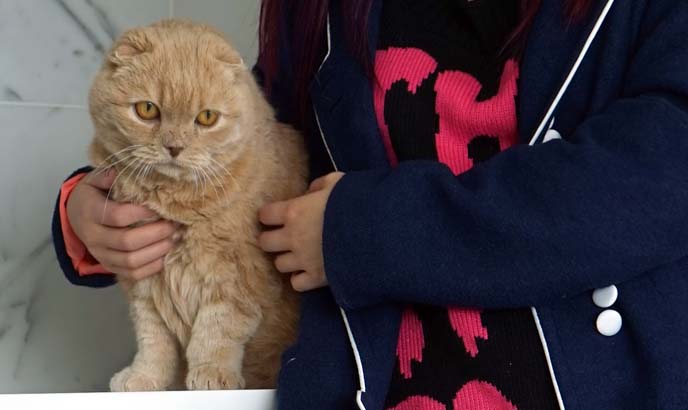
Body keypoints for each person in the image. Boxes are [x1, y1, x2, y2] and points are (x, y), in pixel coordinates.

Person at [52, 0, 688, 409]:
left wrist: (360, 230)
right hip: (364, 385)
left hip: (606, 385)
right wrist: (89, 208)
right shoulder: (324, 12)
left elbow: (662, 176)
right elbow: (238, 130)